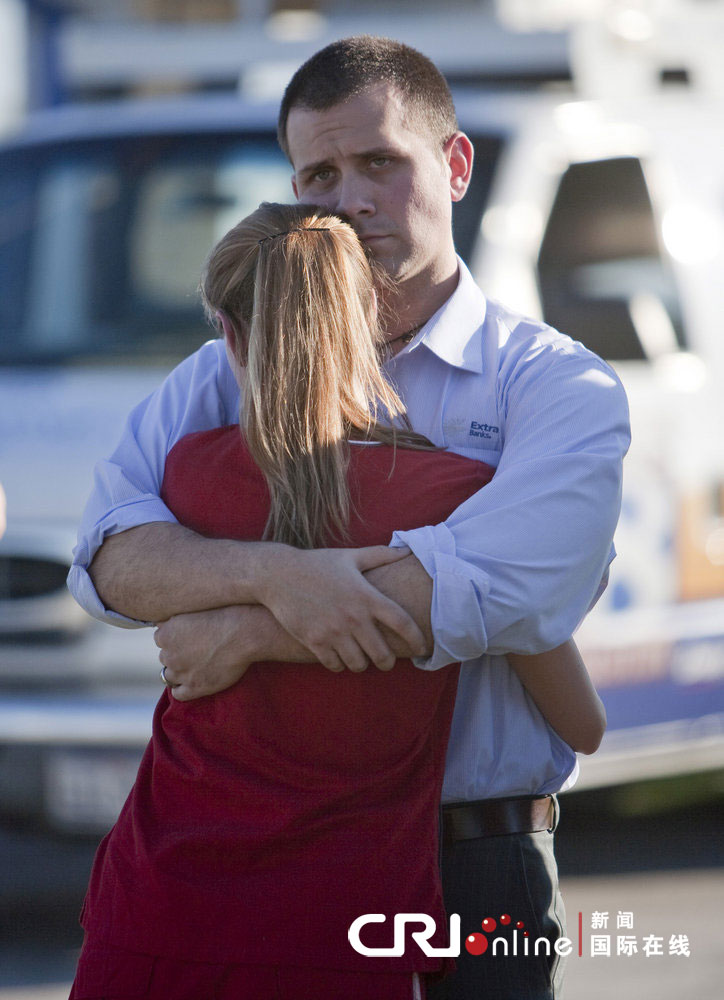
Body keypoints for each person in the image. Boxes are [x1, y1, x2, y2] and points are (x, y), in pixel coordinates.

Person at [68, 37, 630, 1000]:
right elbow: (109, 557)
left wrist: (241, 628)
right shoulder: (217, 375)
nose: (347, 199)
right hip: (261, 853)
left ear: (454, 168)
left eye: (380, 162)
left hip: (478, 858)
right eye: (317, 173)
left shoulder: (554, 382)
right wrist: (275, 577)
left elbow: (508, 590)